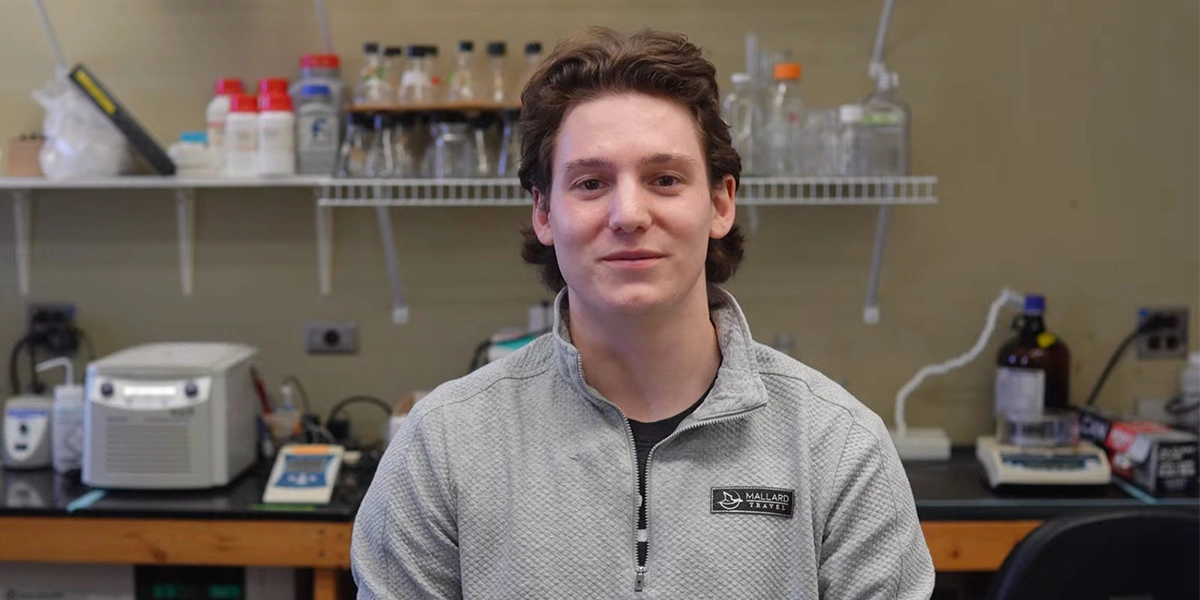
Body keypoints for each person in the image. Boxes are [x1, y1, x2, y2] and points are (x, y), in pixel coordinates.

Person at [352, 27, 935, 599]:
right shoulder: (444, 447)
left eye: (664, 179)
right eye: (590, 183)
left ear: (720, 203)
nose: (628, 214)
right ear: (544, 213)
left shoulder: (837, 447)